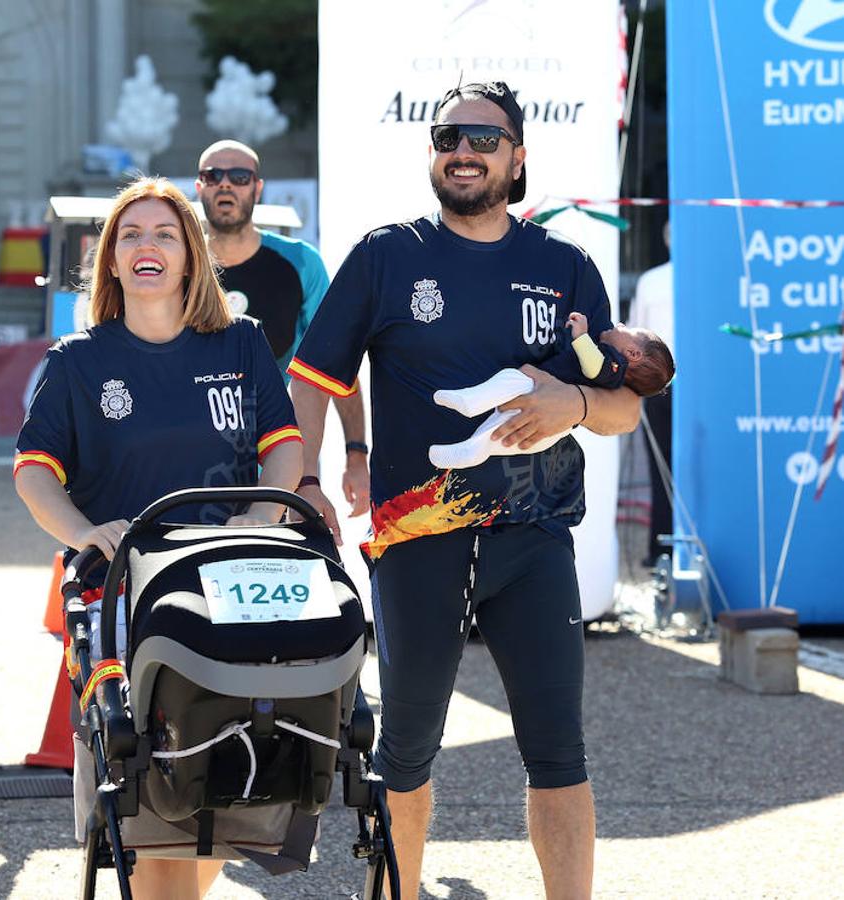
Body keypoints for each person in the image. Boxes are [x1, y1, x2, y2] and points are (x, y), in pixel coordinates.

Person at [286, 81, 641, 899]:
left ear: (518, 159)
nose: (465, 151)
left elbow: (623, 407)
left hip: (535, 537)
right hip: (417, 542)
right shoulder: (387, 255)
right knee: (405, 749)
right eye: (450, 135)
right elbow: (313, 378)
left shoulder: (565, 267)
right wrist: (308, 477)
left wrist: (576, 402)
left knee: (557, 750)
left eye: (486, 139)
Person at [14, 176, 303, 900]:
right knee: (142, 792)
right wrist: (85, 532)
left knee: (222, 786)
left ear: (191, 256)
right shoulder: (77, 360)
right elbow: (33, 474)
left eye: (165, 234)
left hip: (229, 587)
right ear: (111, 260)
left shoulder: (241, 343)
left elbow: (285, 448)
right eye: (132, 235)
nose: (148, 246)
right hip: (127, 597)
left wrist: (259, 520)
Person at [196, 140, 369, 519]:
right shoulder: (180, 263)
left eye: (239, 176)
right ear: (199, 187)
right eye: (213, 175)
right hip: (193, 464)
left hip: (284, 462)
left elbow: (335, 364)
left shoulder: (301, 263)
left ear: (257, 188)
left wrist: (356, 453)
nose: (226, 185)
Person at [429, 311, 674, 469]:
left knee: (512, 381)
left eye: (627, 328)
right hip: (553, 421)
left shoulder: (613, 363)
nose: (619, 323)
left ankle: (472, 410)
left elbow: (593, 368)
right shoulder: (616, 369)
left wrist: (581, 337)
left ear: (633, 353)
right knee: (504, 429)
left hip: (542, 394)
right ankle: (474, 445)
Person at [629, 221, 674, 564]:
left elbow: (634, 337)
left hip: (660, 383)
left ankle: (661, 548)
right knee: (664, 466)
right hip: (662, 383)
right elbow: (635, 334)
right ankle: (661, 547)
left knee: (664, 468)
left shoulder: (651, 281)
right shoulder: (651, 280)